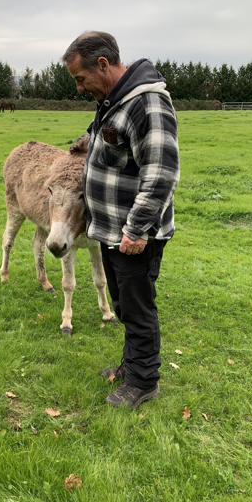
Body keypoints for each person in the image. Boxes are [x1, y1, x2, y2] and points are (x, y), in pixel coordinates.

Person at [62, 31, 180, 409]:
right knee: (125, 304)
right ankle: (132, 366)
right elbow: (107, 140)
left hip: (134, 234)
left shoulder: (147, 103)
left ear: (103, 64)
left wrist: (137, 228)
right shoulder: (113, 101)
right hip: (112, 230)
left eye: (81, 79)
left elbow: (161, 173)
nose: (79, 88)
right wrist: (80, 146)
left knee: (138, 307)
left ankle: (144, 382)